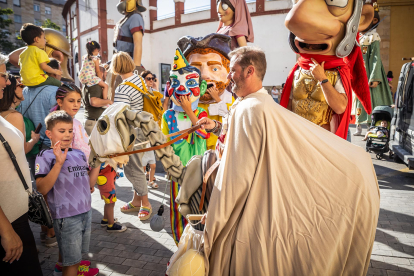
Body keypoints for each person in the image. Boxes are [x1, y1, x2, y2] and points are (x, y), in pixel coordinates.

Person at [197, 46, 379, 276]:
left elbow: (237, 179)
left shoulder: (251, 109)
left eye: (232, 70)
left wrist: (214, 220)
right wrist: (215, 127)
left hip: (252, 215)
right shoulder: (256, 103)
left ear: (249, 71)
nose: (228, 76)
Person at [280, 0, 374, 139]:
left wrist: (323, 79)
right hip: (298, 137)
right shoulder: (297, 70)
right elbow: (288, 105)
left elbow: (340, 107)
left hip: (323, 139)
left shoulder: (337, 71)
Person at [35, 111, 100, 276]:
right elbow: (42, 188)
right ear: (49, 133)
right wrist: (58, 163)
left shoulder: (78, 154)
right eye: (62, 131)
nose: (67, 135)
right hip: (66, 216)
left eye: (70, 131)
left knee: (74, 257)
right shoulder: (45, 156)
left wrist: (98, 162)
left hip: (85, 212)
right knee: (71, 262)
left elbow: (89, 184)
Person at [0, 54, 43, 276]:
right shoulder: (14, 116)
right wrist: (34, 139)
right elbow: (20, 152)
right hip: (9, 215)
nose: (8, 82)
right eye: (3, 76)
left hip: (13, 210)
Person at [162, 48, 210, 245]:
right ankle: (179, 247)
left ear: (202, 86)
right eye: (176, 83)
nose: (181, 90)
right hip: (176, 172)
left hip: (198, 173)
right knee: (176, 210)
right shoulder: (168, 116)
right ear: (169, 87)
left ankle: (197, 247)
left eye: (190, 83)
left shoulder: (202, 113)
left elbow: (204, 133)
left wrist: (190, 110)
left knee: (198, 210)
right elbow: (164, 143)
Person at [17, 58, 62, 247]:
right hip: (49, 146)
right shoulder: (55, 91)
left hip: (30, 145)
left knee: (38, 188)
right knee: (52, 190)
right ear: (56, 71)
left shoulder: (25, 90)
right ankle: (52, 232)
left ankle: (45, 232)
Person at [111, 52, 152, 220]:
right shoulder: (139, 80)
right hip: (143, 128)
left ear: (116, 67)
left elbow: (120, 115)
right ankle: (136, 200)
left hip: (131, 132)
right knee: (137, 166)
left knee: (133, 168)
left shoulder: (123, 87)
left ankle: (146, 203)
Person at [177, 34, 234, 151]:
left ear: (228, 70)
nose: (204, 75)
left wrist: (217, 99)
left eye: (215, 68)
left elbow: (230, 121)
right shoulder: (186, 100)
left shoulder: (229, 100)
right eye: (195, 69)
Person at [353, 3, 393, 136]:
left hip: (369, 72)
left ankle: (372, 125)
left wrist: (375, 77)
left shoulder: (373, 37)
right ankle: (358, 126)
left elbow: (376, 57)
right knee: (358, 99)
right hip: (358, 72)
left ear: (374, 21)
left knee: (371, 98)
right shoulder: (358, 37)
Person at [0, 75, 40, 155]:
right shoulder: (14, 116)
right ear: (11, 90)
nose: (23, 88)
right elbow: (23, 149)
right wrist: (34, 139)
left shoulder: (4, 112)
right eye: (20, 85)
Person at [18, 23, 62, 88]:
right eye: (44, 38)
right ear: (37, 39)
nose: (45, 40)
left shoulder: (23, 53)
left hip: (26, 82)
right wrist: (55, 71)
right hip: (37, 80)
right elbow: (44, 66)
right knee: (59, 83)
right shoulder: (39, 51)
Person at [141, 70, 159, 189]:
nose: (151, 80)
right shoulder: (141, 93)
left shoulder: (152, 92)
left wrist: (156, 87)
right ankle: (143, 182)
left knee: (153, 165)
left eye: (152, 78)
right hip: (143, 131)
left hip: (152, 130)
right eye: (148, 78)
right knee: (142, 165)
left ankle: (151, 180)